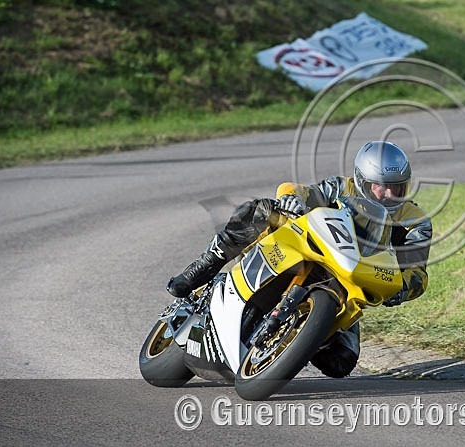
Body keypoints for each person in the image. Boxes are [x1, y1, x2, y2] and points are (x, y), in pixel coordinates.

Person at [166, 141, 432, 378]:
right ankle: (206, 264)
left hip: (350, 282)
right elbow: (300, 190)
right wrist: (292, 199)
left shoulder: (415, 221)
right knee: (261, 210)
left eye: (398, 188)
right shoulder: (340, 187)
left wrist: (399, 288)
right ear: (362, 180)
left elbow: (418, 274)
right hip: (309, 250)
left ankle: (297, 339)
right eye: (381, 187)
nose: (388, 195)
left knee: (341, 364)